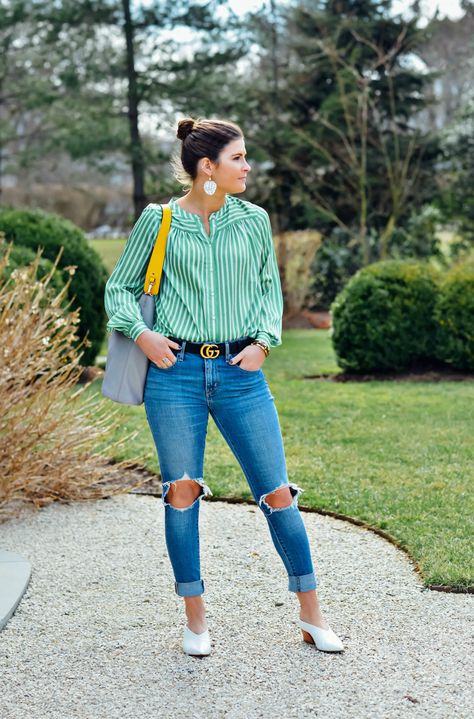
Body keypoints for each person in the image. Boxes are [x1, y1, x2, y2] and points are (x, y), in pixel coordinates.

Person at [104, 117, 344, 656]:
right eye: (238, 158)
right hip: (176, 376)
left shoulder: (254, 220)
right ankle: (195, 620)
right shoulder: (159, 221)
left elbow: (267, 290)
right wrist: (143, 336)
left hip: (241, 375)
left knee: (278, 493)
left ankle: (312, 615)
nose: (247, 166)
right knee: (181, 493)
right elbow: (118, 289)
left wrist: (263, 341)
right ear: (206, 167)